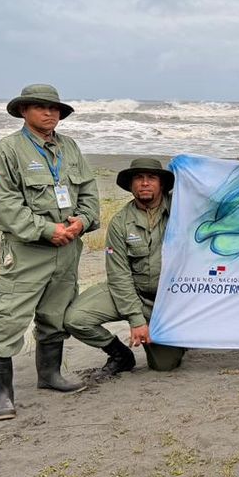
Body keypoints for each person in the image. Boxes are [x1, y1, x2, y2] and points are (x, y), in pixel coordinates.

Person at [0, 84, 100, 420]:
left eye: (55, 109)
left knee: (56, 315)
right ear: (23, 111)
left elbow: (89, 191)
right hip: (28, 251)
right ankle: (2, 396)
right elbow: (3, 204)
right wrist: (47, 230)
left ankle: (49, 376)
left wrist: (83, 221)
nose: (50, 114)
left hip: (68, 251)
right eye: (41, 107)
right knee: (6, 318)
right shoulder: (7, 151)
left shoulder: (70, 148)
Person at [65, 158, 186, 379]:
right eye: (138, 178)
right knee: (76, 319)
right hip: (133, 293)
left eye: (152, 178)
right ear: (131, 185)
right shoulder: (120, 222)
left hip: (170, 302)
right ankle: (120, 354)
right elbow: (119, 275)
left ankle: (179, 337)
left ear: (162, 184)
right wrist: (136, 319)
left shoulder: (184, 211)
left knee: (165, 364)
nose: (145, 183)